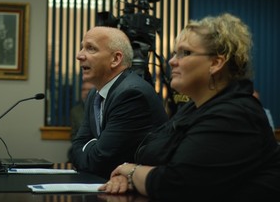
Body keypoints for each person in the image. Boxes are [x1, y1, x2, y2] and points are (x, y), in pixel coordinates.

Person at [99, 13, 280, 201]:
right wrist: (128, 175)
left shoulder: (235, 114)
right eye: (175, 53)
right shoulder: (193, 107)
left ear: (216, 63)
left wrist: (131, 171)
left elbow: (175, 184)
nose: (172, 61)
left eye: (185, 53)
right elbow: (150, 154)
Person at [70, 26, 169, 179]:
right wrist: (92, 147)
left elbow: (99, 161)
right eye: (82, 47)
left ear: (115, 59)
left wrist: (91, 147)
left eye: (90, 48)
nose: (79, 55)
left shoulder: (131, 94)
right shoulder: (94, 93)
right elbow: (76, 147)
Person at [67, 80, 94, 162]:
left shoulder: (102, 107)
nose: (86, 92)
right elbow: (74, 135)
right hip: (81, 148)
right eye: (83, 89)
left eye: (89, 89)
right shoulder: (75, 111)